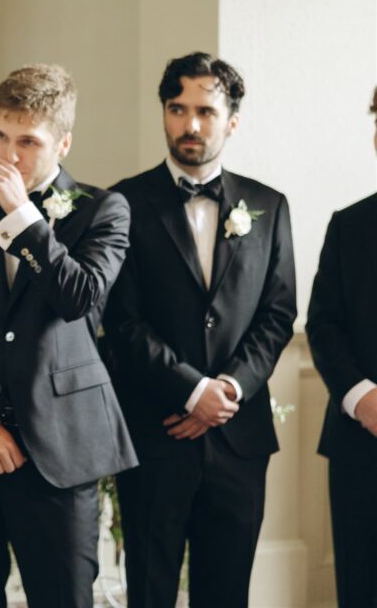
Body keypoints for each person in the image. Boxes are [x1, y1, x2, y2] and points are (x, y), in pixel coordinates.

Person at [103, 52, 296, 608]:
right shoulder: (124, 202)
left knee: (227, 589)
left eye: (206, 111)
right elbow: (121, 320)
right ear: (163, 113)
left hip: (239, 437)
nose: (190, 124)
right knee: (150, 585)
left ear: (232, 120)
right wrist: (192, 390)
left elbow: (278, 314)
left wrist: (228, 390)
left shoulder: (268, 205)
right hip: (156, 427)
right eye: (177, 108)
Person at [0, 64, 137, 608]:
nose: (8, 156)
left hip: (62, 453)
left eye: (28, 142)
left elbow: (78, 298)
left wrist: (22, 215)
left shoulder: (104, 210)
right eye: (0, 137)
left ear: (63, 142)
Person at [306, 86, 377, 607]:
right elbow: (323, 324)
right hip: (361, 445)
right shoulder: (348, 225)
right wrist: (361, 397)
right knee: (360, 584)